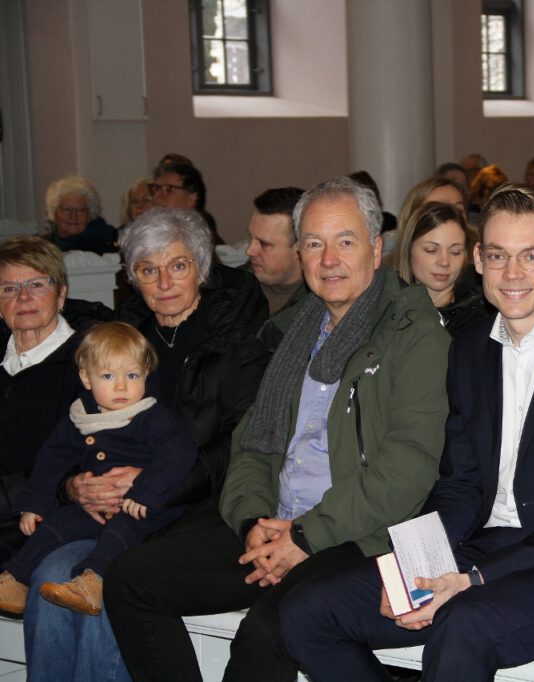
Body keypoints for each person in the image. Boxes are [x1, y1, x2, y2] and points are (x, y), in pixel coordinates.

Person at [278, 183, 534, 681]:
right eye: (497, 256)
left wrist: (472, 579)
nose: (512, 274)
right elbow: (458, 485)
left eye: (531, 256)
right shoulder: (470, 349)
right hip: (482, 546)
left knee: (461, 625)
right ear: (478, 259)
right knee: (306, 613)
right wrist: (414, 567)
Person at [104, 178, 451, 682]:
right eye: (313, 243)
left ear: (376, 250)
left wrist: (305, 537)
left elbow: (408, 468)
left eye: (345, 241)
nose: (329, 259)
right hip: (275, 524)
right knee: (130, 579)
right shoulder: (292, 331)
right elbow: (251, 445)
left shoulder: (412, 333)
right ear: (301, 254)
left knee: (267, 633)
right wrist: (253, 521)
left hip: (357, 537)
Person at [20, 207, 269, 682]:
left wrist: (155, 485)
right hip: (110, 509)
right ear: (134, 278)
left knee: (114, 577)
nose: (165, 282)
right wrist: (74, 487)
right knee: (51, 573)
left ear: (201, 267)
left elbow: (240, 444)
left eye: (178, 265)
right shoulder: (120, 336)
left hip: (195, 507)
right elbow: (74, 428)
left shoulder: (236, 339)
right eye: (148, 270)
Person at [0, 323, 196, 617]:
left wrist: (145, 493)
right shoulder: (80, 416)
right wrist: (34, 505)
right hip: (94, 509)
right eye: (108, 376)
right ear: (86, 378)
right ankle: (16, 581)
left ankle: (93, 583)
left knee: (121, 530)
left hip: (146, 509)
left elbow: (179, 452)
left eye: (132, 376)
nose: (121, 387)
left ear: (146, 375)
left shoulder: (151, 416)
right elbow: (51, 459)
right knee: (57, 523)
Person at [0, 236, 114, 560]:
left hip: (48, 520)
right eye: (9, 288)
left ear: (61, 294)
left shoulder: (91, 362)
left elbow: (87, 461)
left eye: (37, 284)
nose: (23, 297)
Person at [397, 202, 489, 335]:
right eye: (431, 250)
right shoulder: (384, 307)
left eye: (455, 252)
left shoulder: (482, 317)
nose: (444, 262)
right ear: (409, 250)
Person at [243, 187, 309, 349]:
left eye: (264, 244)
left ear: (300, 248)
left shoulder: (323, 307)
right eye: (251, 237)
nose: (250, 251)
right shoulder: (227, 289)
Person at [42, 176, 118, 255]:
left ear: (89, 214)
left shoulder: (104, 244)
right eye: (67, 210)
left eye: (81, 210)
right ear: (54, 212)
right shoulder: (41, 247)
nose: (73, 216)